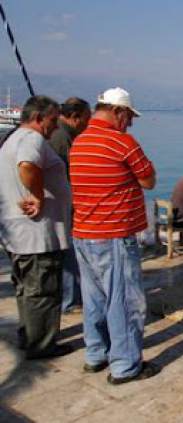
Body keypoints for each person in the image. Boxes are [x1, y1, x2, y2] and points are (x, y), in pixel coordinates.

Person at [70, 87, 159, 384]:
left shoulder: (79, 142)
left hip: (83, 233)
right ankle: (125, 366)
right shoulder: (121, 143)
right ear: (118, 111)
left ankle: (95, 354)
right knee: (124, 302)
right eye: (129, 116)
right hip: (113, 235)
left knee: (94, 298)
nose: (131, 123)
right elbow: (148, 180)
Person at [0, 95, 75, 359]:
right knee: (42, 290)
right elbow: (27, 165)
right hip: (36, 234)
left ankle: (30, 336)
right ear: (38, 118)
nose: (56, 127)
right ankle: (42, 345)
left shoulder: (11, 138)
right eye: (53, 120)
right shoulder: (31, 140)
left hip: (18, 232)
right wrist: (40, 196)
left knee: (27, 289)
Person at [48, 97, 91, 313]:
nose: (88, 123)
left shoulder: (61, 135)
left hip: (62, 205)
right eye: (86, 119)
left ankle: (72, 297)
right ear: (75, 118)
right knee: (70, 255)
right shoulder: (63, 138)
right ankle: (71, 300)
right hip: (64, 208)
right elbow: (68, 176)